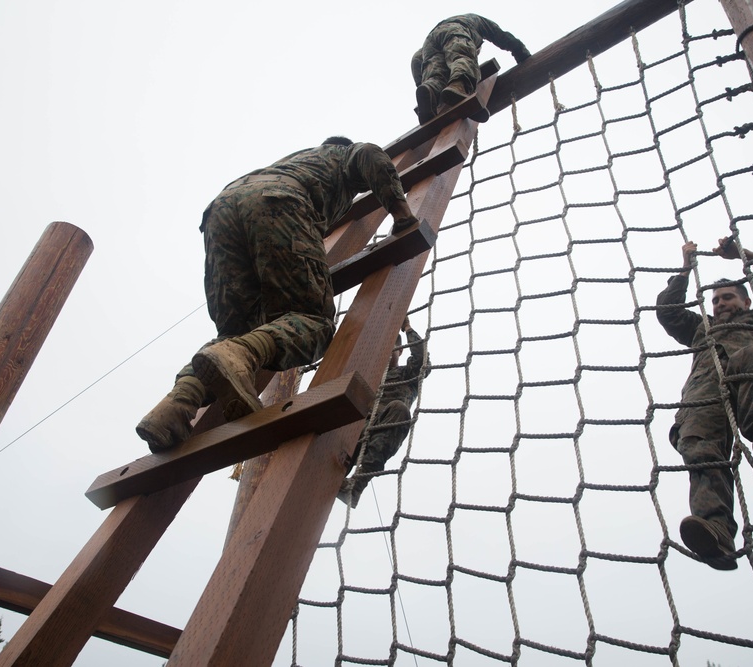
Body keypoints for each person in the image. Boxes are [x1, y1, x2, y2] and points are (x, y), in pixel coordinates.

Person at [136, 137, 419, 453]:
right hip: (277, 202)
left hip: (219, 213)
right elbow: (369, 154)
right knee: (313, 321)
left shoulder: (298, 161)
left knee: (234, 333)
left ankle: (175, 407)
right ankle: (241, 355)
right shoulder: (342, 156)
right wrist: (401, 212)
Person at [656, 238, 753, 570]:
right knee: (697, 445)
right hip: (705, 393)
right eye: (714, 301)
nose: (720, 304)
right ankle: (716, 531)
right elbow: (667, 311)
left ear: (745, 300)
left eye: (727, 297)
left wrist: (746, 255)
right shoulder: (702, 329)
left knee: (750, 355)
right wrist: (685, 269)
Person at [337, 317, 429, 508]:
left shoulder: (406, 374)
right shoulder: (368, 377)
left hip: (380, 429)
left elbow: (422, 359)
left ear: (399, 351)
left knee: (399, 409)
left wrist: (407, 328)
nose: (386, 352)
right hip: (351, 430)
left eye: (391, 347)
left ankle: (357, 485)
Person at [411, 14, 531, 124]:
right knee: (463, 58)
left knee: (436, 75)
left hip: (428, 43)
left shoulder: (441, 26)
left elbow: (416, 59)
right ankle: (459, 86)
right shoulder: (476, 20)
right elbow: (500, 35)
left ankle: (430, 90)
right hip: (456, 30)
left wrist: (421, 83)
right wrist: (520, 52)